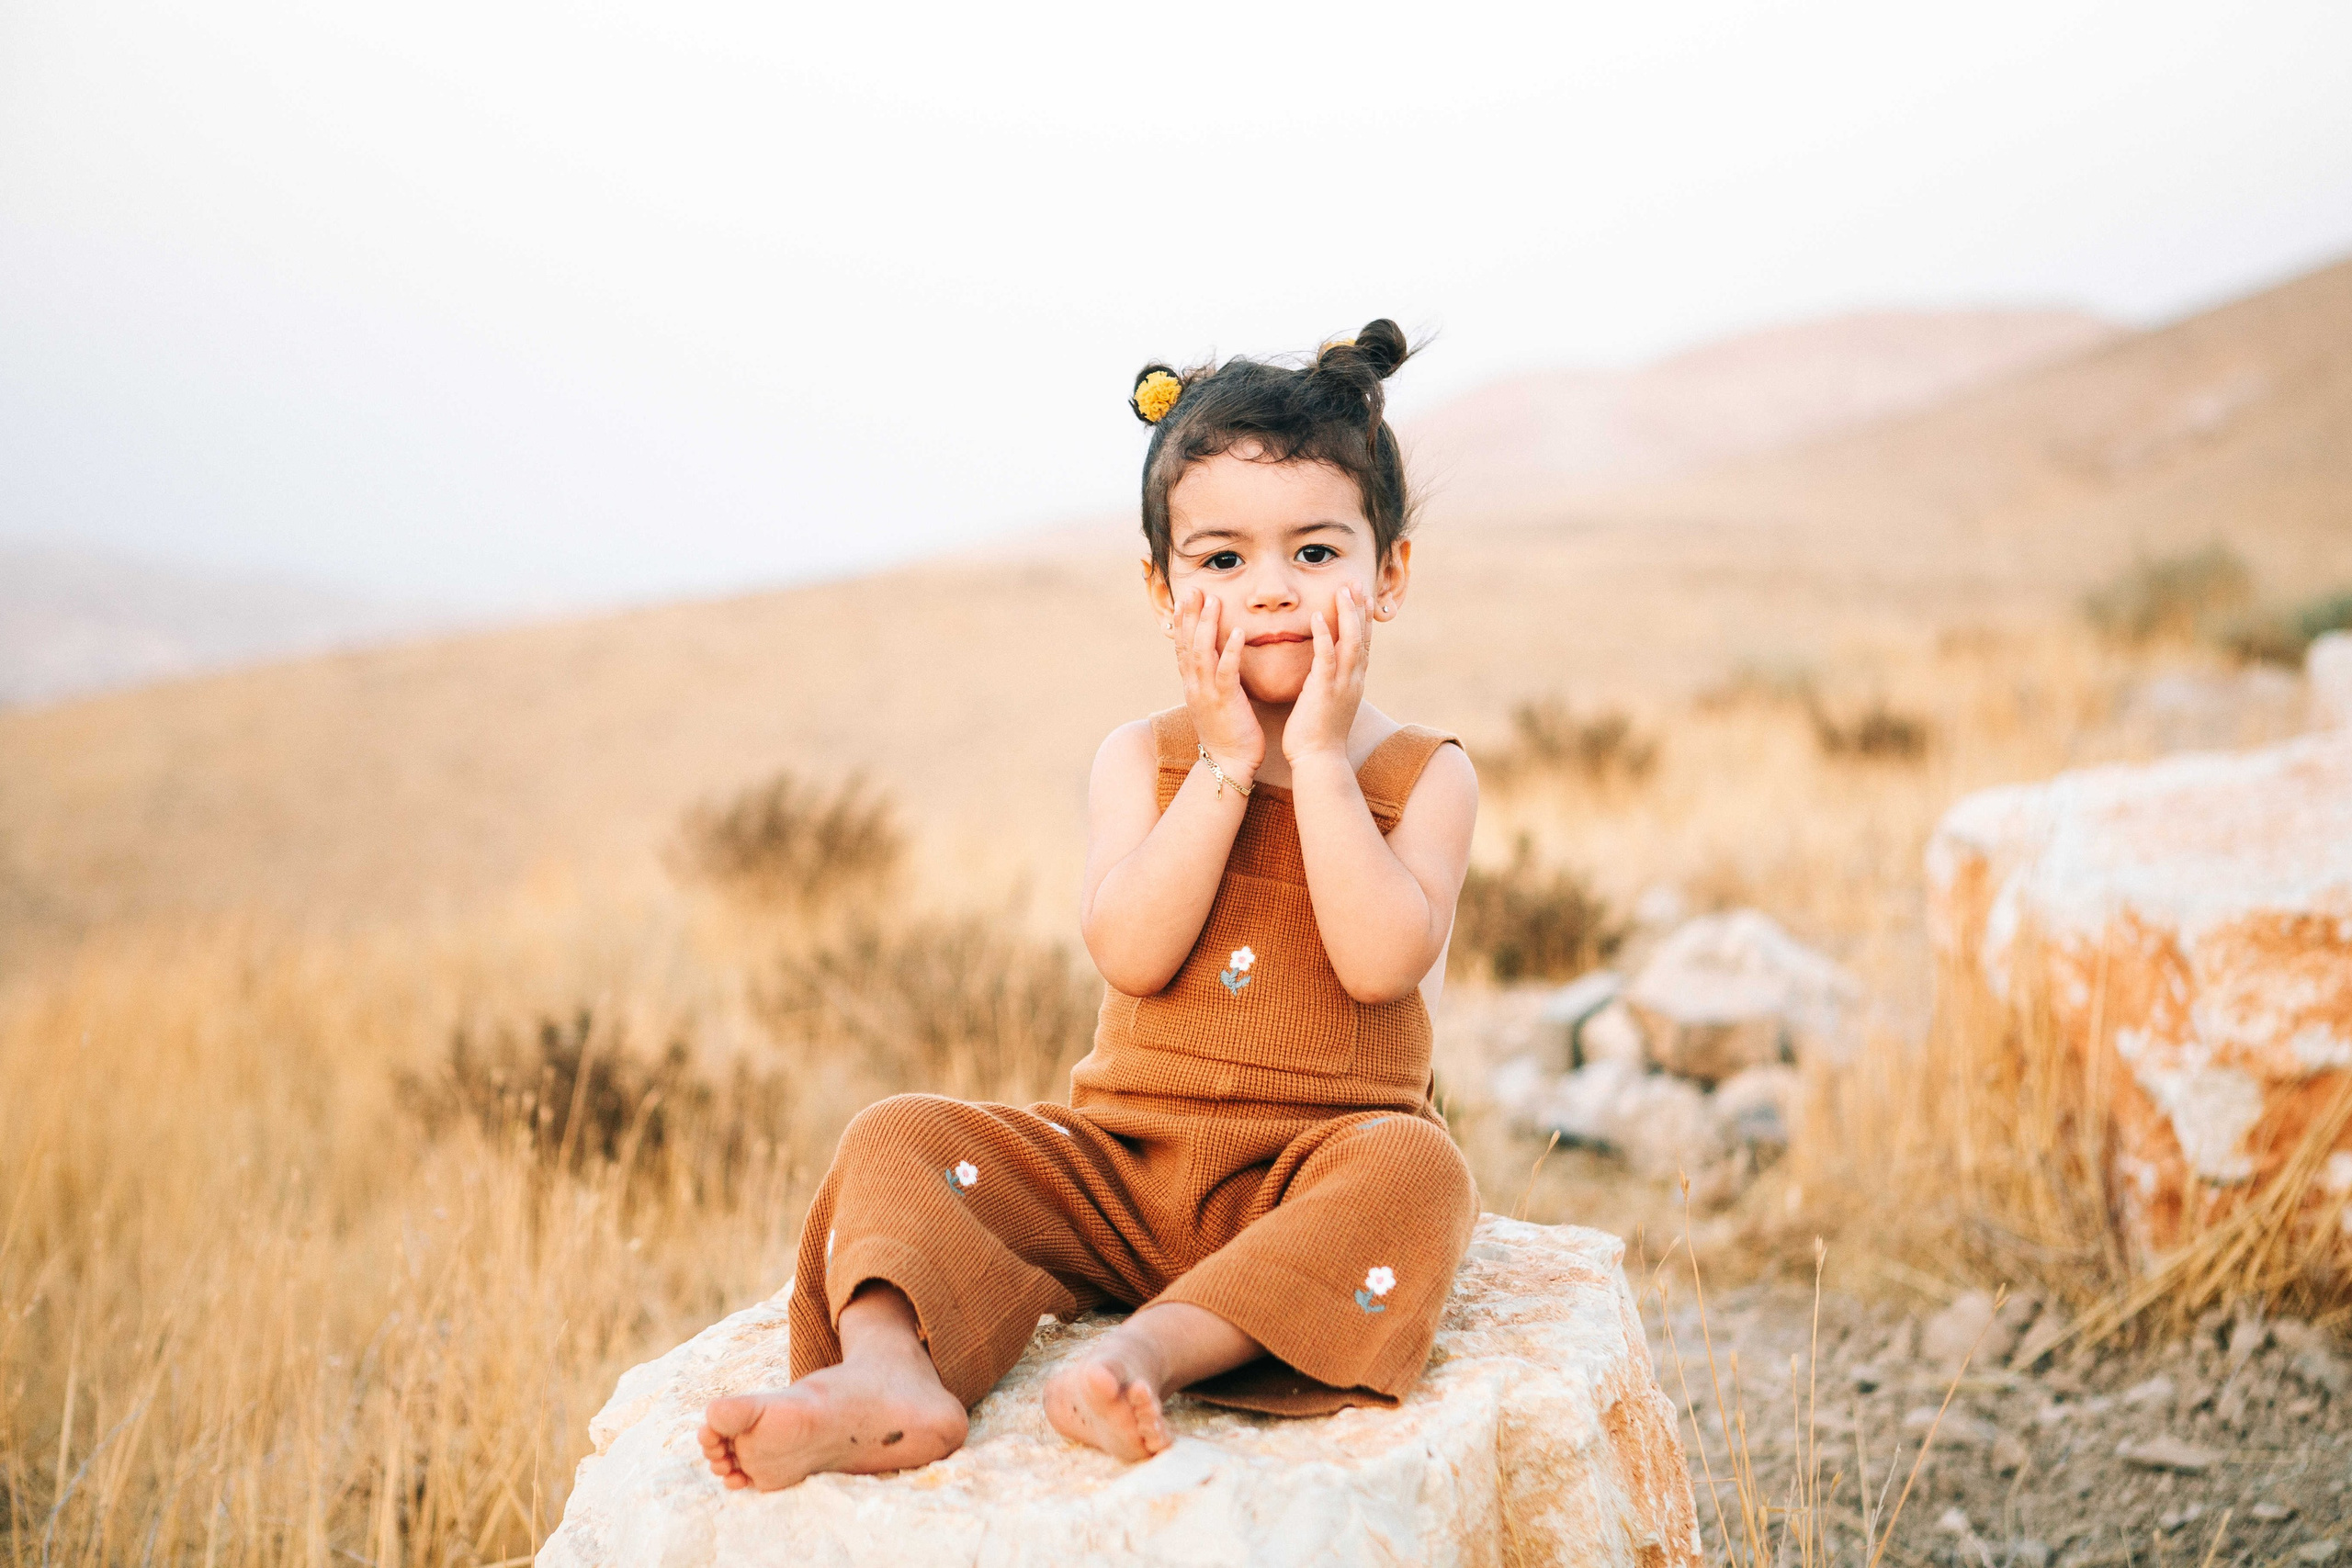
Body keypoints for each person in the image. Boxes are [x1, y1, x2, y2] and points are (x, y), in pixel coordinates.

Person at [698, 319, 1480, 1490]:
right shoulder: (1142, 759)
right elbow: (1130, 951)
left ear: (1390, 576)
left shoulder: (1419, 776)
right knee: (897, 1133)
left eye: (1314, 556)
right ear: (1164, 589)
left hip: (1307, 1175)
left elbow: (1380, 965)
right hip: (1115, 1174)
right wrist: (1225, 767)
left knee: (1421, 1176)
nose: (1268, 592)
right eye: (1221, 562)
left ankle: (1143, 1354)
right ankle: (884, 1372)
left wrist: (1315, 762)